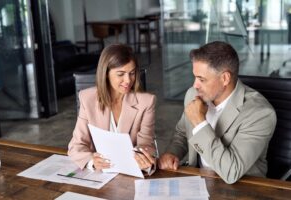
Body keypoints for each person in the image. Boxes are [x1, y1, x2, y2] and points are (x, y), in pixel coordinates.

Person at [158, 41, 277, 184]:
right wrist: (172, 153)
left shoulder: (260, 113)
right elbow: (182, 134)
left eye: (201, 79)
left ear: (225, 78)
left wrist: (199, 122)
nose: (194, 85)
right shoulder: (193, 95)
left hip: (241, 187)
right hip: (200, 180)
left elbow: (232, 172)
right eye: (195, 77)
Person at [68, 44, 156, 175]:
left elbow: (146, 144)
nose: (128, 80)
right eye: (120, 74)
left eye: (132, 73)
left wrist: (141, 158)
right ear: (106, 74)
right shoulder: (87, 98)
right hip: (99, 174)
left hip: (130, 173)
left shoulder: (146, 102)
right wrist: (92, 161)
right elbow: (76, 146)